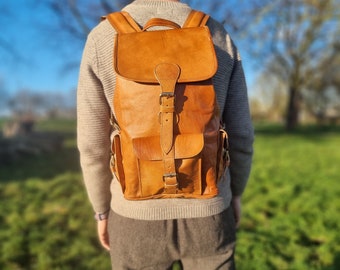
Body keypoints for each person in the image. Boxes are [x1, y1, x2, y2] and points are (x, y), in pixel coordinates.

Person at [77, 0, 254, 269]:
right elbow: (241, 134)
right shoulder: (216, 34)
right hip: (210, 211)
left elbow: (92, 145)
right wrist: (236, 193)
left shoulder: (103, 37)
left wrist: (101, 211)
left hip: (133, 219)